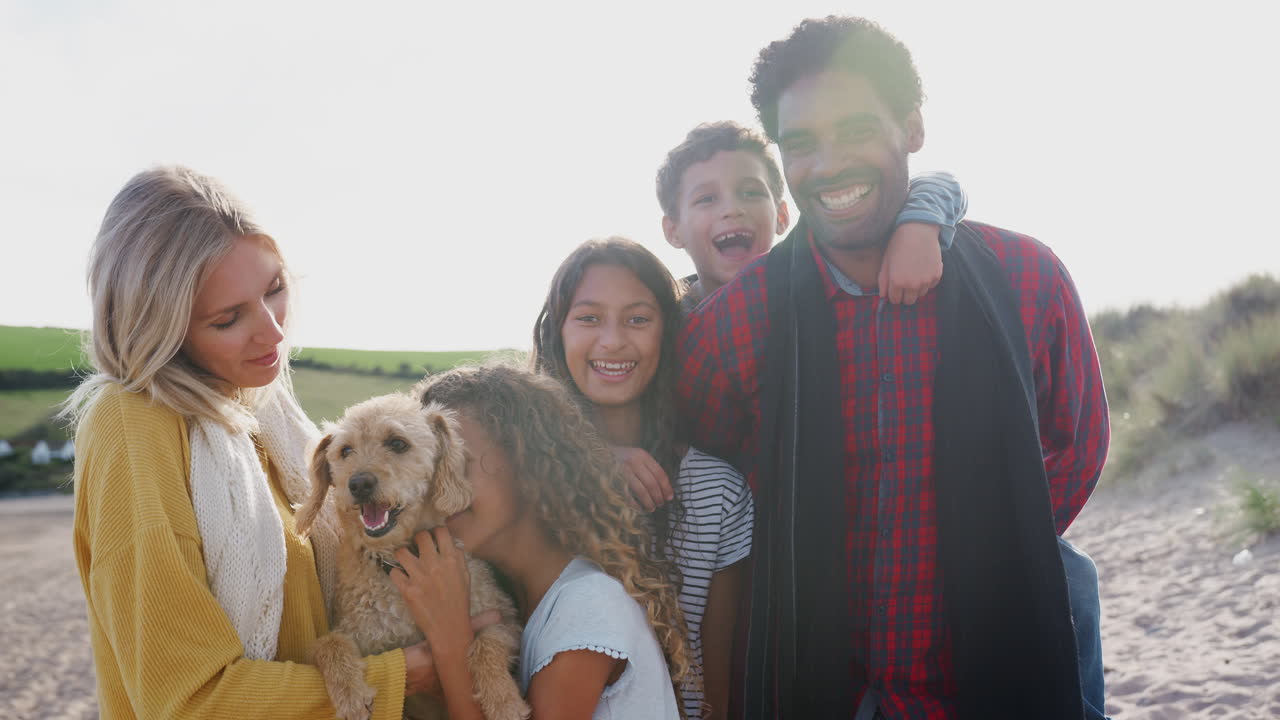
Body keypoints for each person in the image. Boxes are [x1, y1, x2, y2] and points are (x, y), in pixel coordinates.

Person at [676, 17, 1110, 720]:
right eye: (802, 144)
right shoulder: (736, 321)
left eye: (854, 130)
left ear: (911, 127)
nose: (828, 164)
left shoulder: (1026, 277)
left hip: (993, 680)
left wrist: (986, 550)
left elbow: (1076, 445)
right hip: (815, 689)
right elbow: (699, 459)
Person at [64, 166, 461, 719]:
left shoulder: (264, 412)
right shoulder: (133, 425)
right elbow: (185, 700)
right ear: (160, 327)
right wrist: (403, 674)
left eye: (275, 289)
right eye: (229, 318)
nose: (274, 334)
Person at [530, 237, 752, 719]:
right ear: (557, 333)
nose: (612, 341)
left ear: (667, 333)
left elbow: (714, 688)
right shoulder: (519, 479)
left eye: (637, 319)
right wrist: (587, 461)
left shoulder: (720, 492)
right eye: (588, 318)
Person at [408, 364, 690, 719]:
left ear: (527, 463)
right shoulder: (515, 606)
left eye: (456, 465)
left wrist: (451, 645)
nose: (437, 492)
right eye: (428, 470)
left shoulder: (588, 604)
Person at [655, 120, 967, 315]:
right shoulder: (665, 320)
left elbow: (940, 182)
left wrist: (917, 226)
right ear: (673, 230)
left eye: (751, 193)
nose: (732, 209)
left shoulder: (819, 278)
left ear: (781, 215)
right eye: (707, 199)